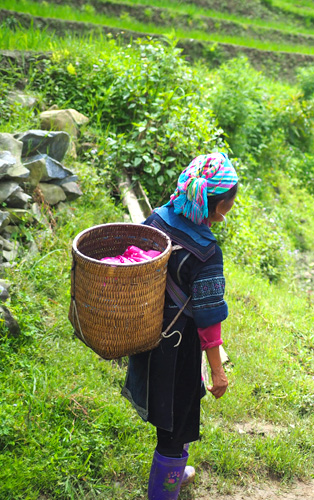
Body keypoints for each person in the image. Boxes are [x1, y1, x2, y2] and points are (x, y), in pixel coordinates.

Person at [122, 152, 238, 500]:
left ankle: (175, 474)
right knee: (173, 425)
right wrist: (218, 372)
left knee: (176, 412)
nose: (231, 207)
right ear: (216, 205)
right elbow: (208, 319)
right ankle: (164, 491)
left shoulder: (158, 217)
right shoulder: (207, 251)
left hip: (147, 333)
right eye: (230, 201)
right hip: (177, 346)